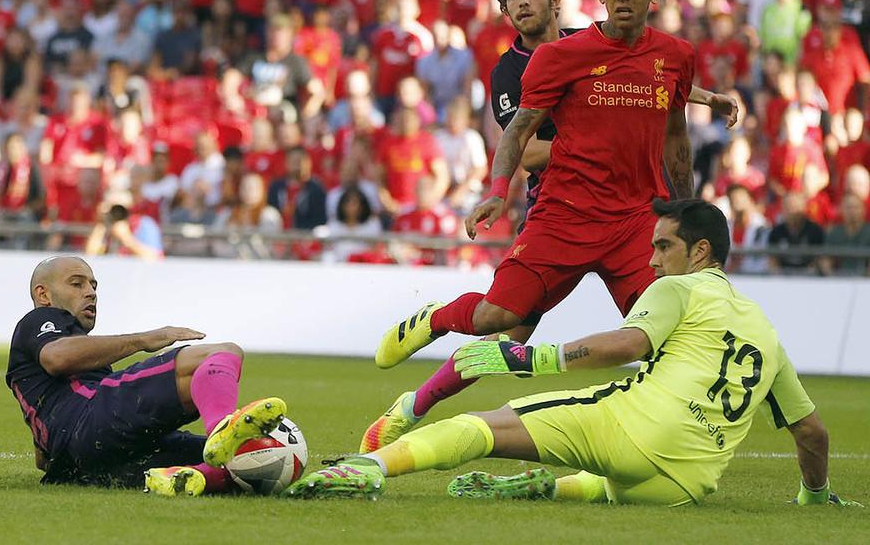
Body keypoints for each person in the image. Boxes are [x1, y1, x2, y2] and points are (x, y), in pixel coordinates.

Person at [359, 0, 738, 454]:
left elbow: (651, 80)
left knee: (661, 337)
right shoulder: (520, 70)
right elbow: (523, 142)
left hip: (634, 218)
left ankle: (649, 443)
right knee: (498, 327)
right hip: (557, 210)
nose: (523, 2)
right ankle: (428, 344)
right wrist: (516, 182)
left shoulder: (602, 44)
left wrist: (707, 102)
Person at [288, 200, 861, 508]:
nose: (654, 260)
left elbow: (627, 346)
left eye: (663, 246)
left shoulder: (678, 289)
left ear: (700, 251)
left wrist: (531, 360)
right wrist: (812, 495)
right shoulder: (767, 331)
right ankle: (543, 485)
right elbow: (812, 434)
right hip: (686, 485)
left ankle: (367, 469)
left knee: (478, 428)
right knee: (612, 485)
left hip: (632, 431)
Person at [6, 256, 285, 496]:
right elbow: (58, 357)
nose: (90, 292)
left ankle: (203, 476)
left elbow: (42, 459)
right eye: (77, 283)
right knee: (221, 354)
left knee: (249, 457)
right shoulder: (39, 320)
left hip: (82, 466)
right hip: (91, 422)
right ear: (44, 295)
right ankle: (221, 429)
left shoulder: (63, 359)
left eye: (93, 285)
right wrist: (146, 338)